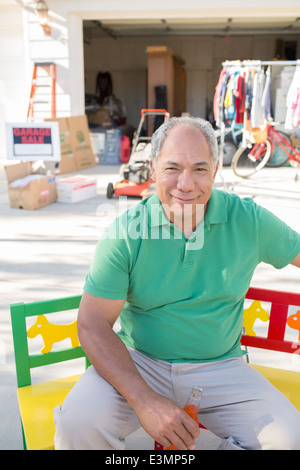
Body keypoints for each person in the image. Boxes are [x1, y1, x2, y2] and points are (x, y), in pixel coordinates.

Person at [54, 116, 300, 450]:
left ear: (215, 171)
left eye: (199, 169)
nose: (186, 184)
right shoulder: (126, 232)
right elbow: (92, 323)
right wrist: (143, 399)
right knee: (78, 423)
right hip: (140, 361)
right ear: (153, 169)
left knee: (289, 439)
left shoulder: (249, 220)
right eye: (173, 168)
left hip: (221, 367)